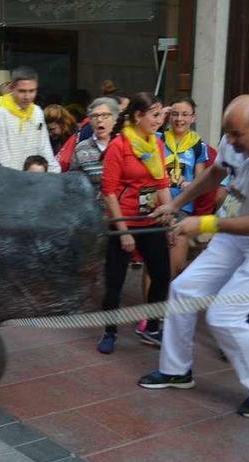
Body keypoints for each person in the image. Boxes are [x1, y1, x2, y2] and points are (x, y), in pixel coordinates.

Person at [138, 95, 249, 419]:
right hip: (237, 227)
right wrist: (176, 205)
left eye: (236, 135)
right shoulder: (235, 136)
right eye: (227, 134)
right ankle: (176, 370)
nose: (230, 141)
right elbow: (214, 174)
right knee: (184, 289)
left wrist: (202, 223)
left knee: (224, 315)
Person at [97, 92, 171, 354]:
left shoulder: (156, 144)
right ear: (138, 116)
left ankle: (152, 326)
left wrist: (168, 216)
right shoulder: (119, 145)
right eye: (154, 115)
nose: (160, 120)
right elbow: (109, 191)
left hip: (150, 220)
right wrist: (124, 232)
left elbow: (162, 184)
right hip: (124, 220)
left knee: (162, 275)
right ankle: (109, 330)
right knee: (114, 281)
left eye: (161, 114)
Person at [161, 98, 212, 277]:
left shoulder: (199, 146)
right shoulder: (157, 140)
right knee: (154, 267)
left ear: (193, 118)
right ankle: (151, 304)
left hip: (182, 209)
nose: (179, 119)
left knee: (175, 267)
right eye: (174, 114)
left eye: (185, 114)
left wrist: (187, 183)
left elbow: (200, 183)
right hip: (157, 206)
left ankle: (169, 304)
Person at [0, 66, 59, 172]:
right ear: (11, 88)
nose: (27, 96)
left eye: (31, 91)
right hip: (6, 181)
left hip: (33, 180)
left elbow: (44, 149)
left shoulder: (37, 112)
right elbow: (0, 160)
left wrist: (55, 175)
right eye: (22, 91)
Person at [70, 97, 118, 198]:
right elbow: (73, 184)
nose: (99, 120)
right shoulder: (81, 149)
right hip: (92, 208)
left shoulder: (123, 146)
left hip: (122, 208)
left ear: (115, 119)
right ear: (90, 121)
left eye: (105, 115)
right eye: (94, 116)